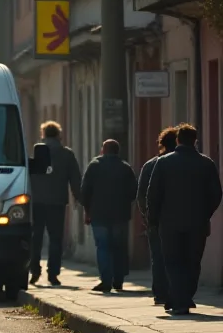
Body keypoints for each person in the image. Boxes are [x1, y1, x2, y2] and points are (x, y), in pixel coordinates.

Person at [147, 123, 223, 315]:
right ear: (195, 140)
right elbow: (216, 194)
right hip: (197, 223)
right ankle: (184, 297)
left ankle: (179, 300)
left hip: (169, 223)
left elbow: (153, 194)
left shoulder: (163, 163)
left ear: (178, 140)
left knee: (173, 262)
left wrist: (153, 219)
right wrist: (205, 213)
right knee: (192, 262)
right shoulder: (206, 163)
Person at [79, 139, 137, 293]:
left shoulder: (94, 166)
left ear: (103, 150)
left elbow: (85, 192)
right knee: (119, 247)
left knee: (103, 246)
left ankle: (106, 280)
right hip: (120, 215)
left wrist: (87, 211)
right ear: (117, 151)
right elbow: (133, 192)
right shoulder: (125, 167)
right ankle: (118, 280)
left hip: (99, 214)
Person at [29, 121, 82, 286]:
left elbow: (28, 175)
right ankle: (53, 273)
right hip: (57, 202)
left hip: (37, 201)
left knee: (35, 237)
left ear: (43, 134)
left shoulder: (36, 152)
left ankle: (34, 270)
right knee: (56, 238)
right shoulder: (67, 154)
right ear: (59, 135)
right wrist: (78, 197)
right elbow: (75, 178)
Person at [136, 127, 177, 306]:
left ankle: (161, 293)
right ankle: (178, 292)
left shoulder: (150, 164)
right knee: (180, 257)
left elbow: (141, 194)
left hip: (156, 219)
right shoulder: (185, 162)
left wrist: (146, 216)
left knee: (158, 257)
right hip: (180, 218)